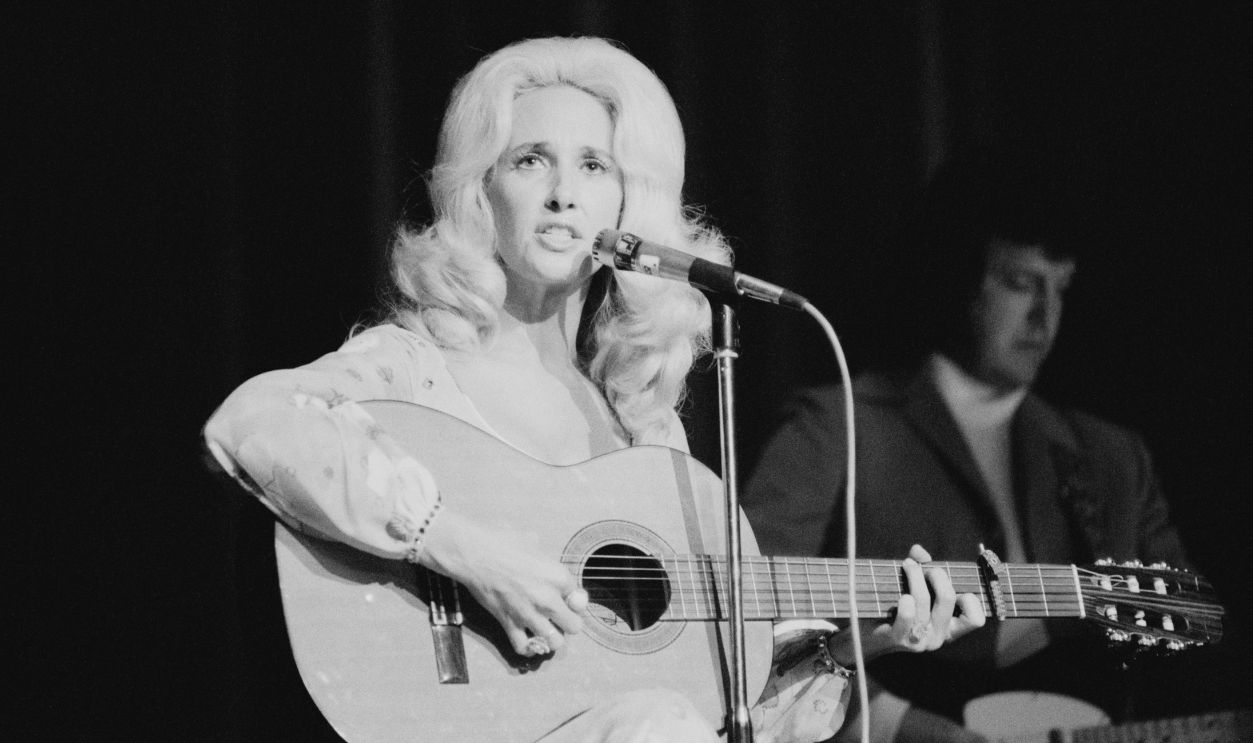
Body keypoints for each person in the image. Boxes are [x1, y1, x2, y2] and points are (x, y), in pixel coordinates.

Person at [203, 37, 984, 743]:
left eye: (593, 165)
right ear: (482, 191)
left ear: (625, 204)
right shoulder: (413, 367)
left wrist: (862, 641)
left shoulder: (641, 422)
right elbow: (251, 421)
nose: (562, 194)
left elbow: (723, 709)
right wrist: (469, 550)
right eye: (530, 160)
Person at [741, 155, 1193, 742]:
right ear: (958, 282)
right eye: (1020, 283)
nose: (1045, 317)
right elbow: (754, 619)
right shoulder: (836, 425)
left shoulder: (1112, 455)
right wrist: (906, 728)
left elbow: (1192, 637)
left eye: (1060, 288)